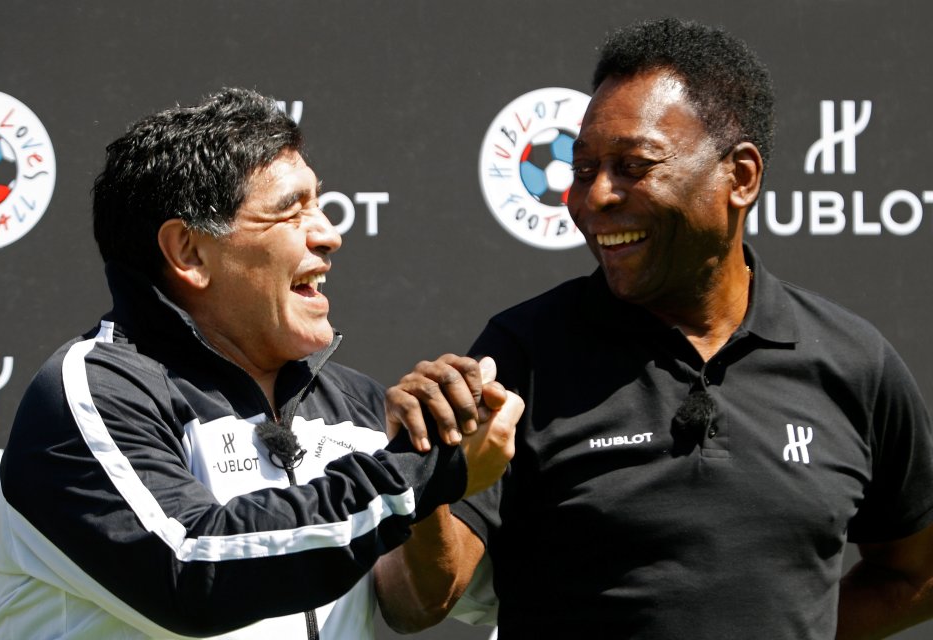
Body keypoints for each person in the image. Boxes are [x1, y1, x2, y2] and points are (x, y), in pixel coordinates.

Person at [375, 17, 933, 639]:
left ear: (741, 177)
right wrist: (427, 478)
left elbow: (915, 573)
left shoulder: (855, 362)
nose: (594, 199)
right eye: (583, 170)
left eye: (632, 166)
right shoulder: (523, 355)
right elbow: (417, 603)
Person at [0, 87, 522, 639]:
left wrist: (431, 449)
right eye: (291, 211)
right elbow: (195, 570)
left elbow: (410, 601)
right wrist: (421, 473)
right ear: (189, 253)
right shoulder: (94, 390)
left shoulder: (356, 399)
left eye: (321, 204)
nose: (330, 234)